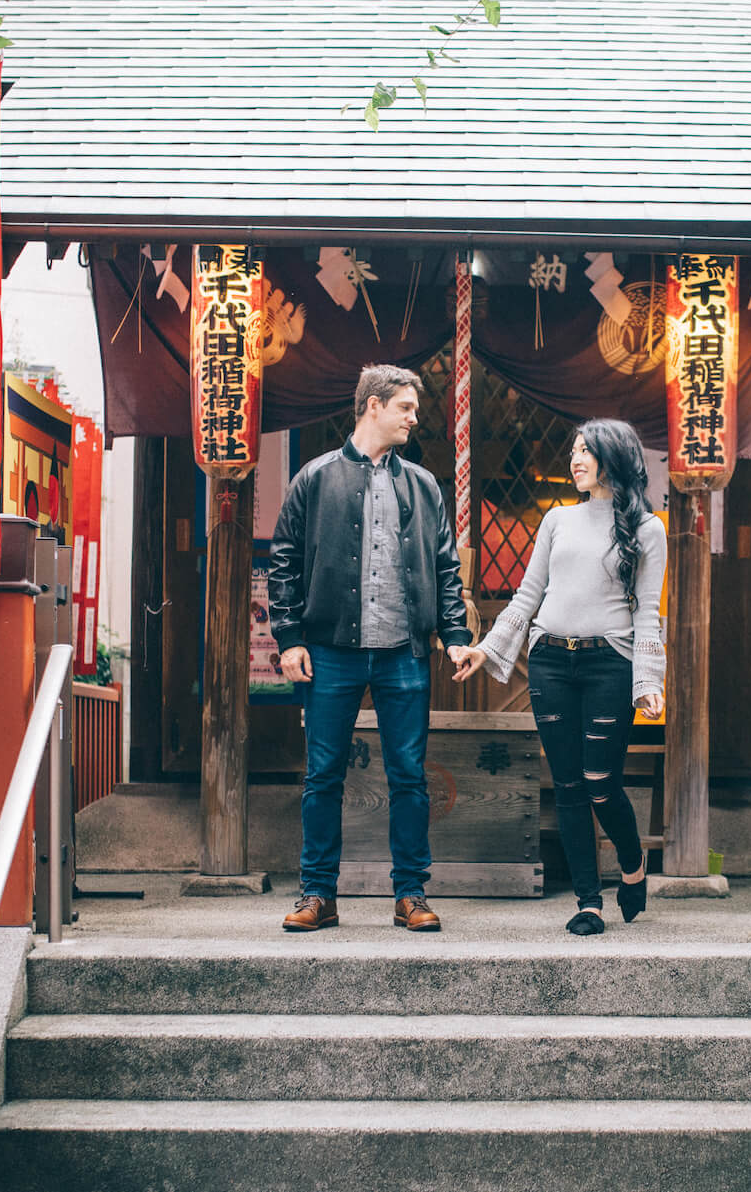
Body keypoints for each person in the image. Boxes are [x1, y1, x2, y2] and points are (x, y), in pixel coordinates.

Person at [269, 365, 476, 933]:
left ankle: (410, 893)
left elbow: (445, 568)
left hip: (403, 651)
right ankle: (318, 893)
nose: (414, 417)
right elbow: (283, 561)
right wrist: (288, 639)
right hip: (329, 648)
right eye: (405, 407)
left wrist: (455, 638)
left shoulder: (424, 484)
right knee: (323, 775)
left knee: (409, 775)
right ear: (373, 407)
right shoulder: (315, 477)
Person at [454, 419, 667, 935]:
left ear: (611, 458)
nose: (574, 459)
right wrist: (487, 649)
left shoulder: (647, 528)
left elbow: (647, 613)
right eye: (572, 450)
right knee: (569, 784)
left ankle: (632, 859)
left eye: (585, 451)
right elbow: (528, 596)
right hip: (550, 659)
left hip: (607, 663)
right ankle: (588, 901)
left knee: (601, 781)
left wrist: (649, 680)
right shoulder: (557, 520)